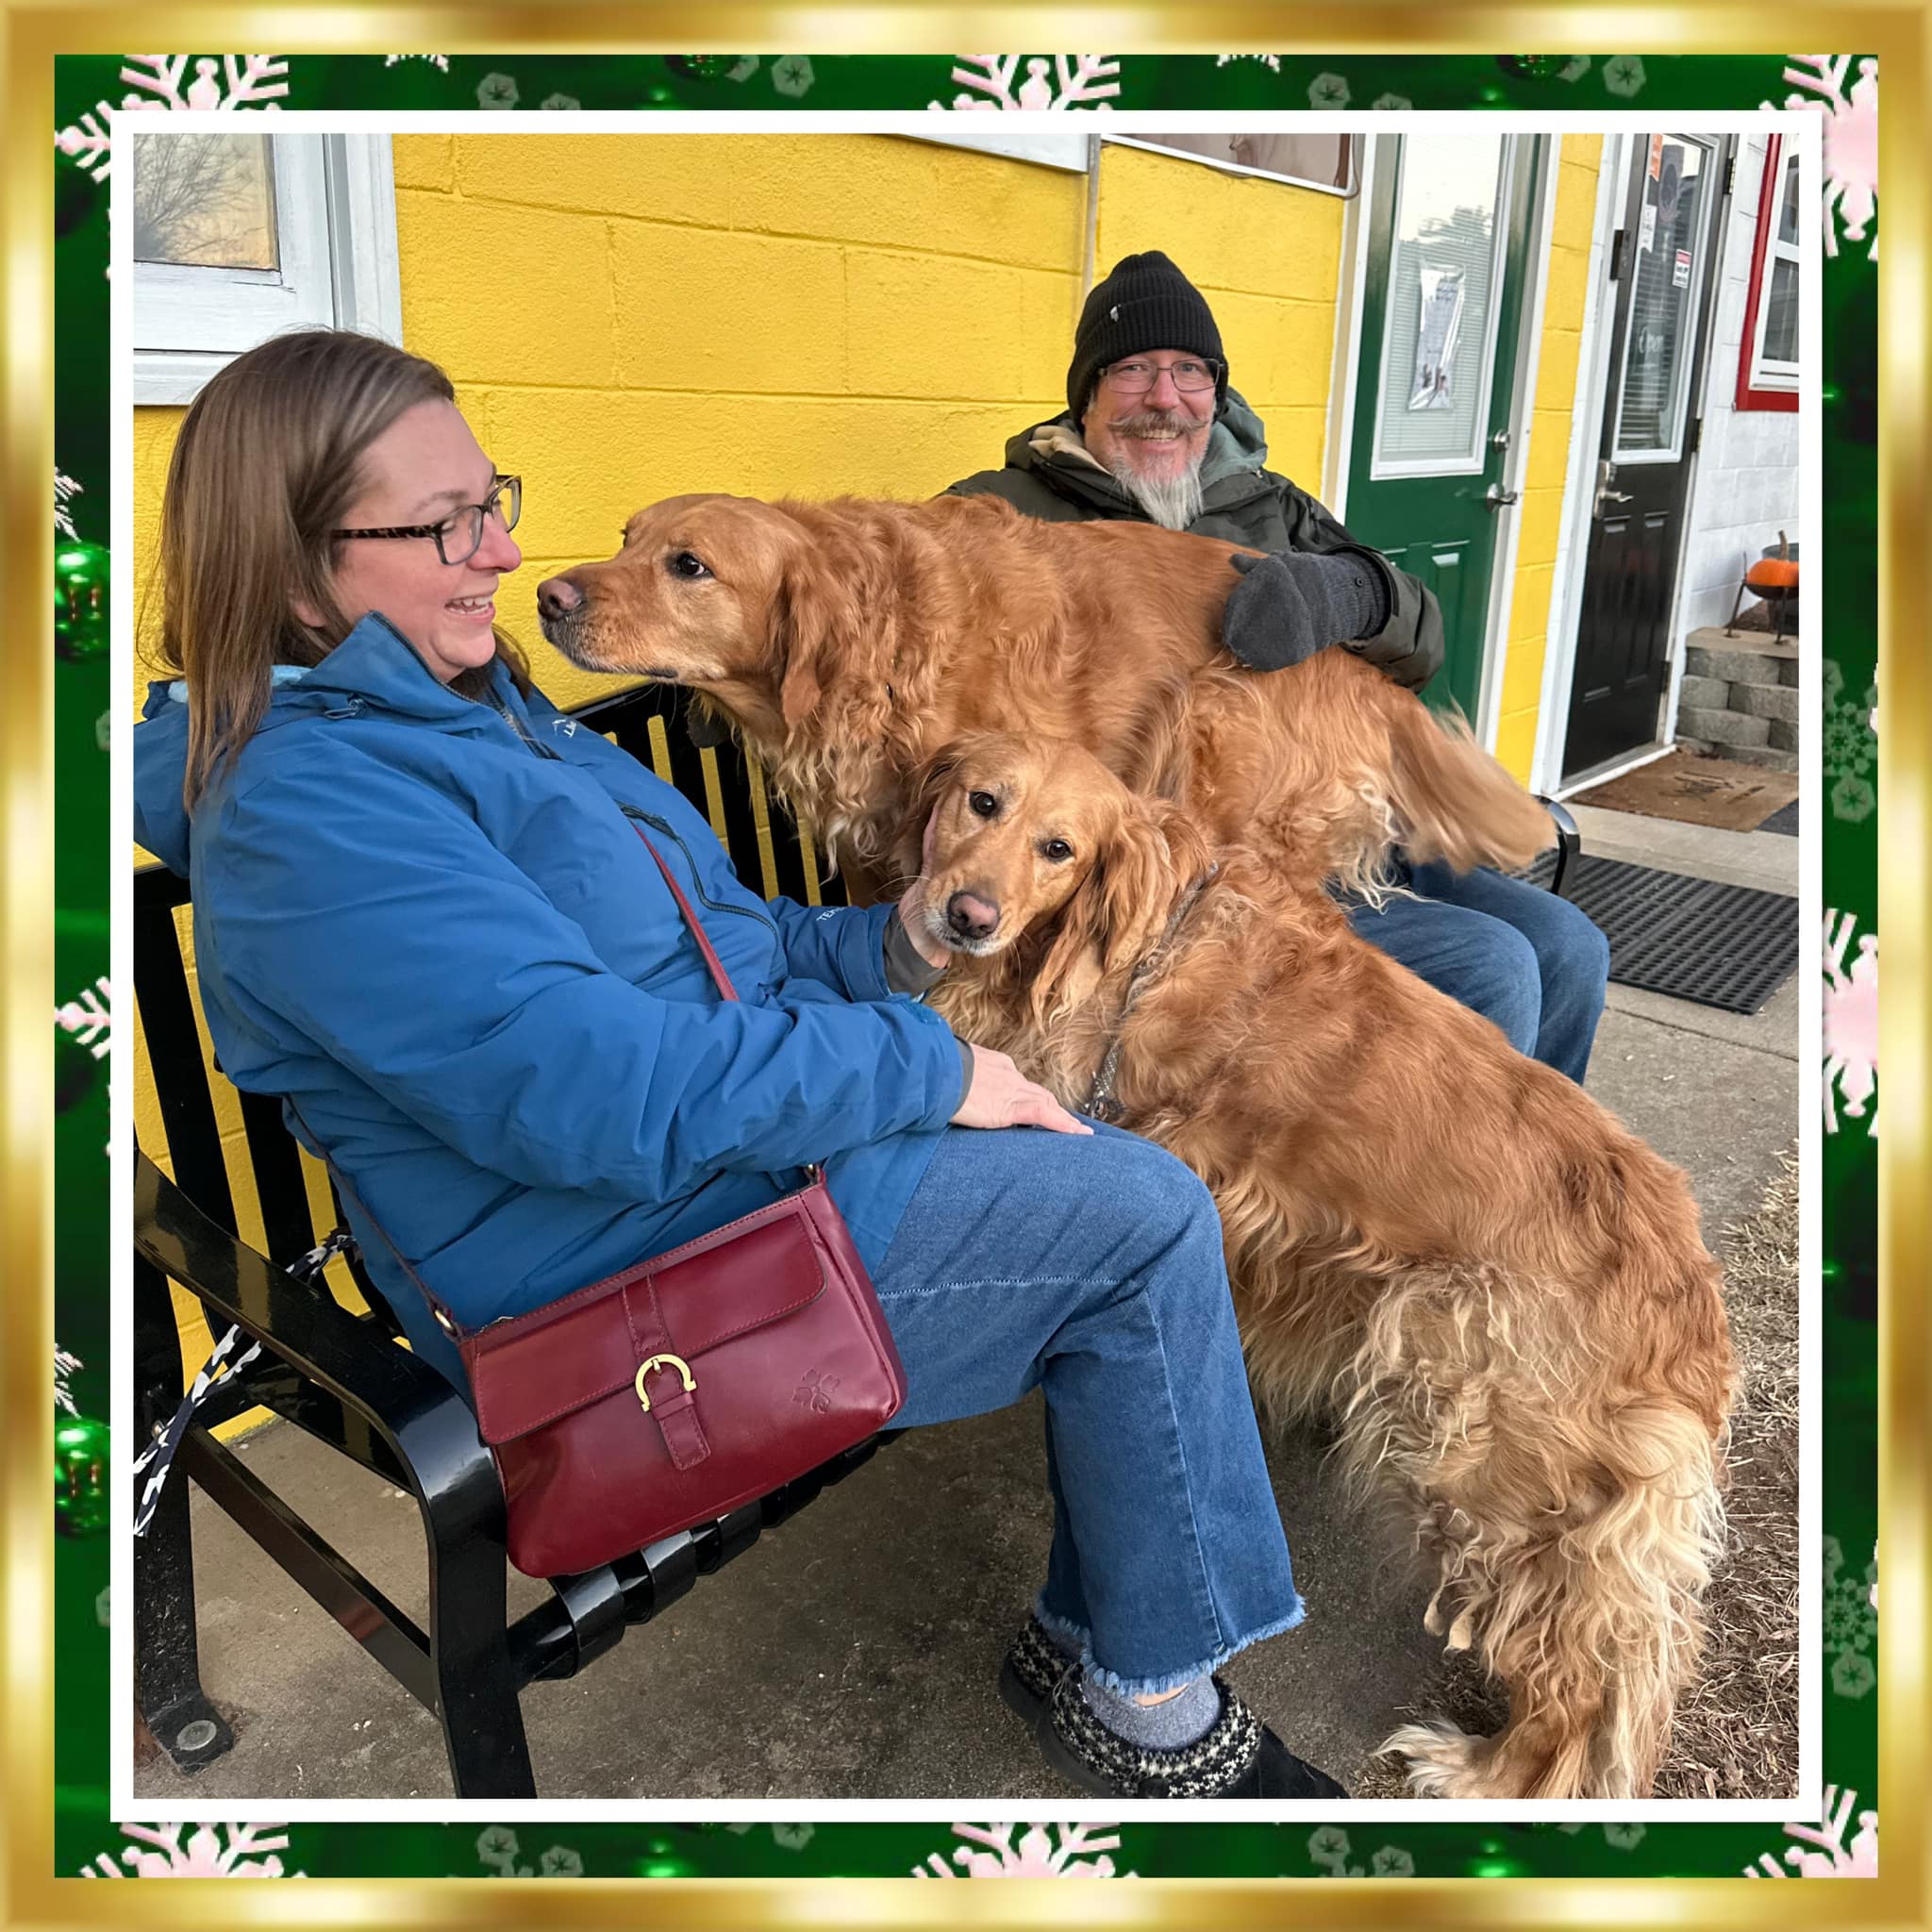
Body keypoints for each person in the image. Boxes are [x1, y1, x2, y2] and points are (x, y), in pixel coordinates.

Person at [130, 327, 1347, 1803]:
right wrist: (925, 1068)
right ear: (293, 556)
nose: (505, 549)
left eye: (488, 499)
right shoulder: (309, 811)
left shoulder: (476, 717)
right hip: (604, 1291)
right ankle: (1143, 1691)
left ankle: (1108, 1631)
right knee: (1141, 1219)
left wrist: (893, 947)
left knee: (1116, 1144)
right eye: (446, 522)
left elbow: (729, 942)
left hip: (715, 1173)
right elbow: (605, 1096)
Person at [948, 250, 1611, 1084]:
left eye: (1190, 372)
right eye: (1133, 371)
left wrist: (1354, 592)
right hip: (1191, 863)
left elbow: (1421, 638)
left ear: (1216, 395)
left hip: (1338, 825)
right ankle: (1448, 1189)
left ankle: (1543, 1176)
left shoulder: (1268, 504)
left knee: (1568, 945)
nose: (1165, 399)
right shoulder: (998, 515)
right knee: (1492, 965)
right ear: (1086, 393)